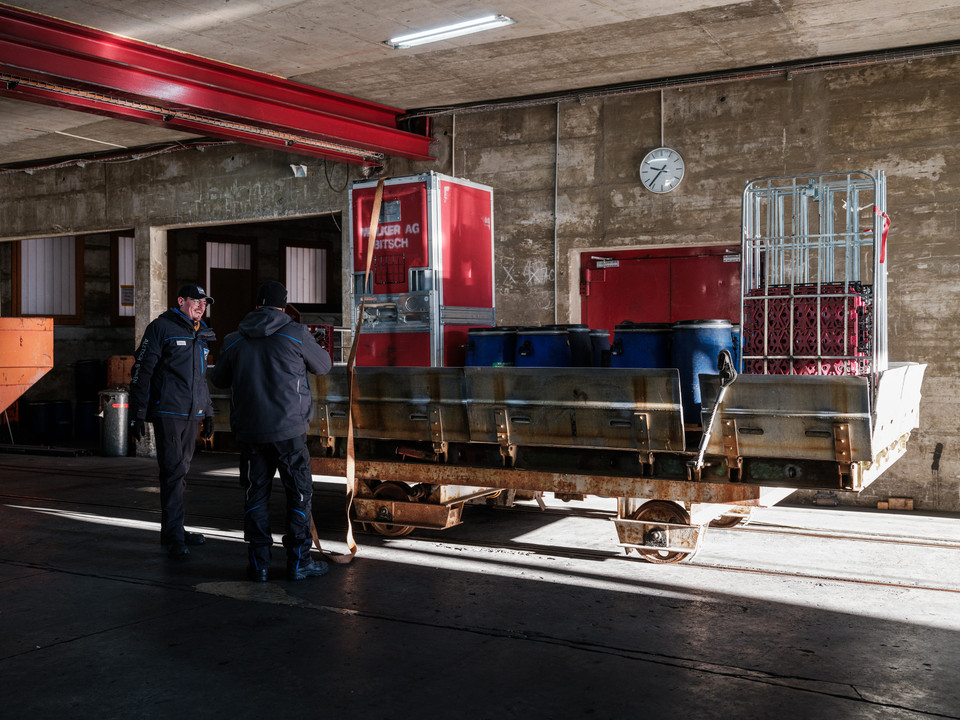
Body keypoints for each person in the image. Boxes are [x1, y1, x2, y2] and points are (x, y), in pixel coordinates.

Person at [210, 281, 332, 582]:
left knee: (256, 496)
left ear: (256, 305)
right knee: (299, 495)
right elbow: (324, 366)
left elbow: (219, 379)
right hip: (289, 431)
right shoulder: (296, 334)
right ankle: (299, 562)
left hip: (250, 433)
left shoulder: (235, 339)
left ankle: (259, 564)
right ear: (284, 306)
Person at [129, 283, 216, 559]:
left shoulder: (201, 334)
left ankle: (173, 529)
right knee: (173, 471)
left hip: (192, 415)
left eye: (205, 303)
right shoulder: (161, 328)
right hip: (169, 413)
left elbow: (200, 379)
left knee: (181, 471)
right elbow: (142, 371)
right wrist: (138, 413)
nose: (201, 307)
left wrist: (209, 411)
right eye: (196, 301)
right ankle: (174, 535)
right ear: (181, 301)